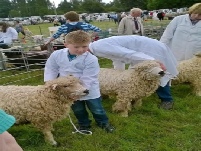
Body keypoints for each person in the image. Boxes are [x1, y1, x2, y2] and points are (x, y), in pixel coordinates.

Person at [44, 30, 114, 133]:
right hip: (69, 89)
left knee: (96, 108)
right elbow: (51, 68)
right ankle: (84, 125)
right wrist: (50, 83)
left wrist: (80, 91)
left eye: (85, 46)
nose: (81, 50)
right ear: (66, 44)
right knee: (78, 109)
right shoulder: (57, 55)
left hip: (88, 88)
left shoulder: (91, 59)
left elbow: (89, 77)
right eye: (76, 47)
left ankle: (103, 123)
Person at [88, 35, 179, 110]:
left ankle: (167, 100)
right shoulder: (97, 47)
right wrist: (118, 74)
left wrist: (153, 61)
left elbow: (127, 54)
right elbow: (116, 57)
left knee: (156, 74)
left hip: (149, 49)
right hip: (141, 50)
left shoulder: (99, 47)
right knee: (139, 76)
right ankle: (134, 97)